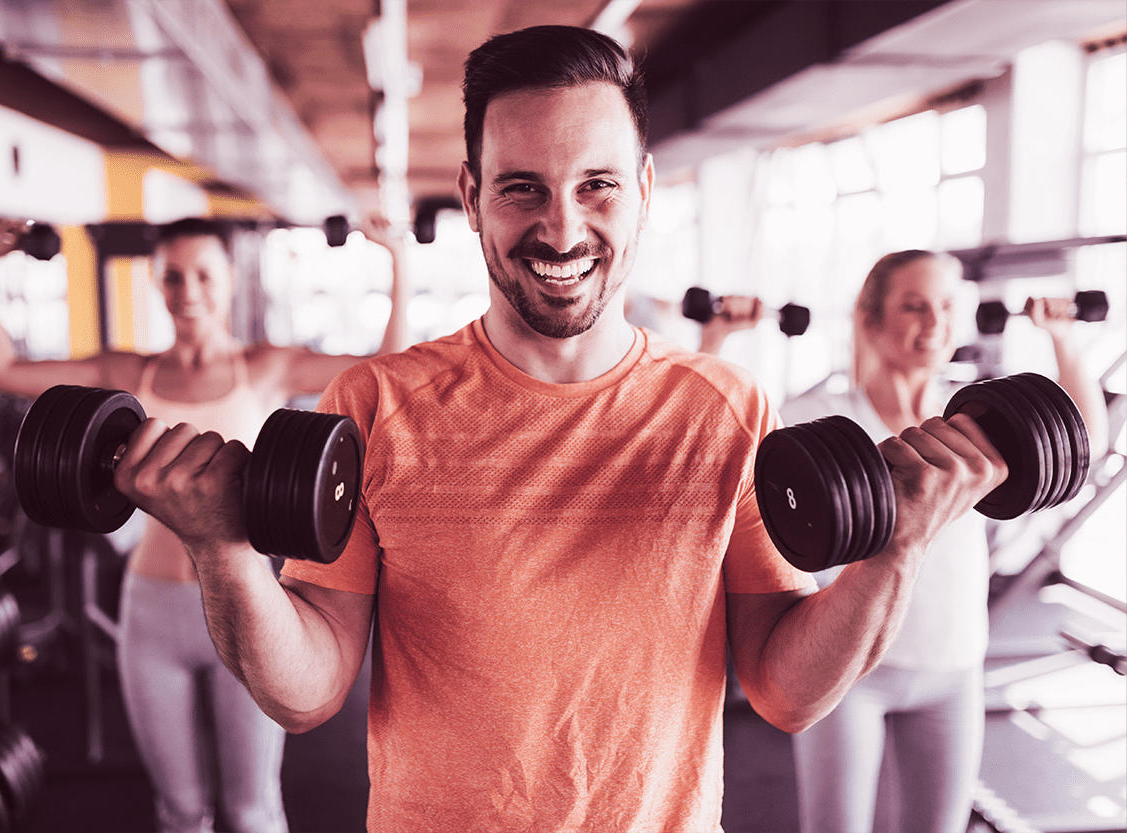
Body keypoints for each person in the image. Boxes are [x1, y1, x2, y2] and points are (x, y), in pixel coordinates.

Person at [109, 26, 1009, 832]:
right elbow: (308, 695)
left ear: (645, 189)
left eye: (598, 185)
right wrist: (222, 552)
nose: (563, 225)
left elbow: (785, 692)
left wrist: (894, 551)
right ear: (471, 194)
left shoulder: (725, 408)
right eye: (523, 188)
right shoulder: (376, 403)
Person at [0, 214, 409, 833]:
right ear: (158, 282)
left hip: (247, 602)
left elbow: (388, 367)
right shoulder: (132, 375)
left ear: (230, 279)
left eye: (204, 274)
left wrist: (397, 261)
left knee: (252, 808)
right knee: (180, 812)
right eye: (173, 276)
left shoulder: (266, 367)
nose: (188, 291)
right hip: (149, 609)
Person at [773, 250, 1108, 833]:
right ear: (872, 319)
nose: (933, 323)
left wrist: (1063, 340)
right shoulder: (818, 417)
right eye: (914, 306)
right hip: (850, 673)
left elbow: (1083, 449)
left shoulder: (979, 423)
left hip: (954, 666)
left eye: (948, 306)